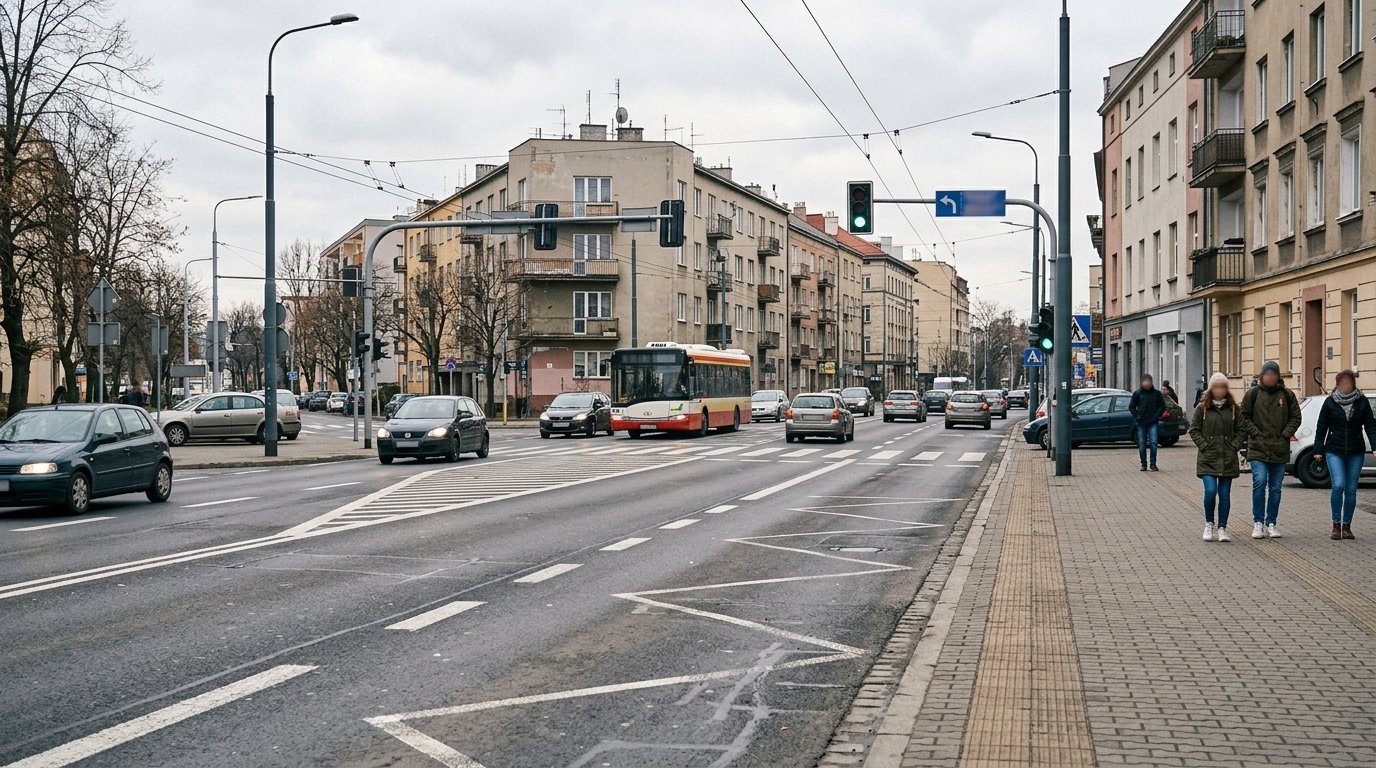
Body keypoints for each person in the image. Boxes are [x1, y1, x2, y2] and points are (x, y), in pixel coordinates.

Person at [1311, 369, 1376, 540]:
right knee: (1338, 485)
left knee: (1351, 489)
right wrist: (1318, 450)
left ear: (1353, 385)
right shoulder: (1330, 402)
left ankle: (1347, 526)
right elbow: (1321, 427)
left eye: (1347, 384)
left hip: (1356, 451)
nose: (1344, 387)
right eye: (1341, 384)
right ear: (1337, 385)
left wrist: (1375, 446)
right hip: (1334, 450)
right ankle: (1336, 524)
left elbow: (1370, 425)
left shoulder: (1361, 402)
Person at [1240, 360, 1301, 539]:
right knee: (1259, 482)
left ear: (1278, 376)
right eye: (1267, 374)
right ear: (1261, 376)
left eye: (1273, 374)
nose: (1270, 377)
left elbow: (1296, 417)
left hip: (1279, 449)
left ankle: (1271, 522)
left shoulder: (1287, 395)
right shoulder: (1253, 394)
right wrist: (1255, 433)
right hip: (1258, 447)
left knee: (1275, 488)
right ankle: (1258, 522)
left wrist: (1285, 434)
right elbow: (1243, 417)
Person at [1189, 373, 1244, 543]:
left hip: (1227, 457)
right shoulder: (1202, 408)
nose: (1219, 390)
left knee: (1225, 494)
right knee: (1211, 491)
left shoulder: (1234, 408)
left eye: (1222, 387)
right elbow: (1194, 430)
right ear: (1211, 389)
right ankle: (1209, 523)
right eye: (1216, 386)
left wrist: (1234, 446)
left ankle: (1222, 527)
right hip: (1208, 458)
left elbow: (1241, 430)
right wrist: (1205, 445)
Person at [1129, 373, 1167, 471]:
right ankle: (1143, 464)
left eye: (1148, 382)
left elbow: (1162, 406)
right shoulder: (1137, 393)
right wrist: (1137, 416)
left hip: (1153, 422)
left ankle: (1153, 463)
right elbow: (1131, 406)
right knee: (1142, 443)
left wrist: (1157, 416)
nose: (1146, 384)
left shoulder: (1157, 394)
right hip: (1141, 422)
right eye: (1145, 383)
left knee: (1154, 443)